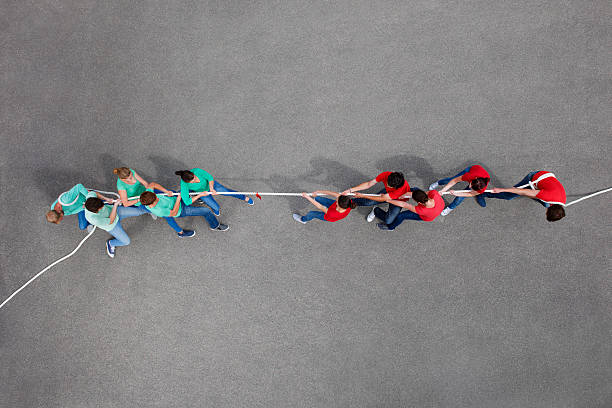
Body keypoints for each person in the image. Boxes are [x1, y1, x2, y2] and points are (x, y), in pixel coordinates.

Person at [479, 170, 566, 222]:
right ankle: (482, 193)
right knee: (508, 196)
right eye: (546, 214)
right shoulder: (546, 196)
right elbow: (521, 191)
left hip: (546, 180)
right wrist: (502, 190)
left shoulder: (562, 201)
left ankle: (533, 194)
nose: (545, 213)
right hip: (533, 178)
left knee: (546, 204)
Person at [139, 189, 229, 237]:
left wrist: (166, 192)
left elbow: (152, 184)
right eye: (156, 199)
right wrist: (178, 199)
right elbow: (173, 213)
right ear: (152, 203)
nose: (158, 197)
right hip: (180, 210)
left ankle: (198, 198)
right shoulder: (159, 210)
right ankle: (215, 226)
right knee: (206, 211)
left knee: (187, 189)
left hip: (174, 199)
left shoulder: (150, 195)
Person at [84, 192, 148, 258]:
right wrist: (115, 205)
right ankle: (111, 243)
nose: (103, 206)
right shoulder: (94, 219)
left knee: (139, 211)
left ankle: (152, 209)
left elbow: (94, 193)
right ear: (96, 211)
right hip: (112, 225)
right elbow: (111, 220)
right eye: (101, 207)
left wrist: (106, 199)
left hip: (114, 211)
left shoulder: (90, 199)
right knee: (126, 242)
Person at [175, 169, 253, 216]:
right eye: (193, 182)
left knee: (227, 192)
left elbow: (209, 177)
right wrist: (200, 195)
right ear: (187, 182)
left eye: (195, 178)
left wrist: (212, 188)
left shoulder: (197, 171)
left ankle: (243, 197)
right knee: (216, 207)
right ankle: (214, 208)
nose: (196, 180)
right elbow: (187, 202)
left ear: (193, 174)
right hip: (202, 192)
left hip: (211, 185)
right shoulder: (184, 185)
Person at [342, 171, 410, 224]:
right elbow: (369, 184)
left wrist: (363, 195)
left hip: (398, 200)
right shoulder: (386, 174)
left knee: (388, 221)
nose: (386, 185)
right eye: (387, 183)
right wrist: (351, 190)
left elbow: (382, 198)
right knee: (369, 202)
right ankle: (350, 202)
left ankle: (375, 210)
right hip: (388, 194)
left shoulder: (400, 190)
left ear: (396, 187)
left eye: (389, 186)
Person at [46, 184, 114, 232]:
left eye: (61, 218)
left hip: (87, 197)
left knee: (102, 205)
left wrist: (89, 198)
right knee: (82, 226)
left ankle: (114, 205)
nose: (62, 218)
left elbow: (79, 186)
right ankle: (91, 221)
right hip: (82, 205)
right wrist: (83, 207)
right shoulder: (57, 211)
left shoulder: (66, 199)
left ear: (58, 211)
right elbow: (72, 211)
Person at [377, 189, 445, 230]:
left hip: (425, 216)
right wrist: (405, 194)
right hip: (438, 208)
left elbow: (404, 205)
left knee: (401, 216)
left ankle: (391, 227)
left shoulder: (421, 210)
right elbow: (424, 193)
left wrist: (388, 200)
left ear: (419, 203)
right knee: (415, 189)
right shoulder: (434, 193)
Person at [292, 190, 356, 224]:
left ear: (339, 205)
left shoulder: (332, 213)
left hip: (328, 216)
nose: (336, 200)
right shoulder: (347, 202)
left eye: (337, 201)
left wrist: (307, 197)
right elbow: (334, 194)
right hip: (333, 207)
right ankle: (315, 198)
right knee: (318, 198)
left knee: (312, 214)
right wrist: (319, 191)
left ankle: (303, 220)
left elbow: (320, 206)